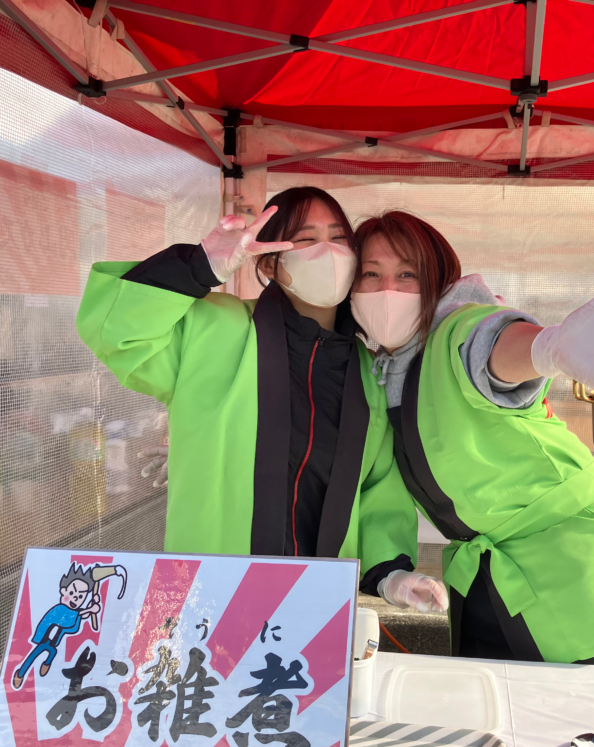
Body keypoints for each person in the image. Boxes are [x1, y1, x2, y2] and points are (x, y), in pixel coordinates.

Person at [350, 211, 594, 666]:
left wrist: (548, 348)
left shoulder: (458, 329)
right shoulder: (381, 372)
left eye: (407, 275)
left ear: (438, 281)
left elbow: (494, 348)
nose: (388, 291)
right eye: (372, 275)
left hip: (579, 577)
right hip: (488, 583)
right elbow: (382, 480)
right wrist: (389, 573)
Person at [77, 189, 446, 613]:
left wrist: (391, 573)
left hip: (315, 607)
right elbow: (117, 334)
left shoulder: (367, 373)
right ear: (270, 263)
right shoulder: (213, 329)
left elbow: (378, 487)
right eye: (306, 239)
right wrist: (198, 266)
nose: (327, 252)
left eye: (338, 238)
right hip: (208, 601)